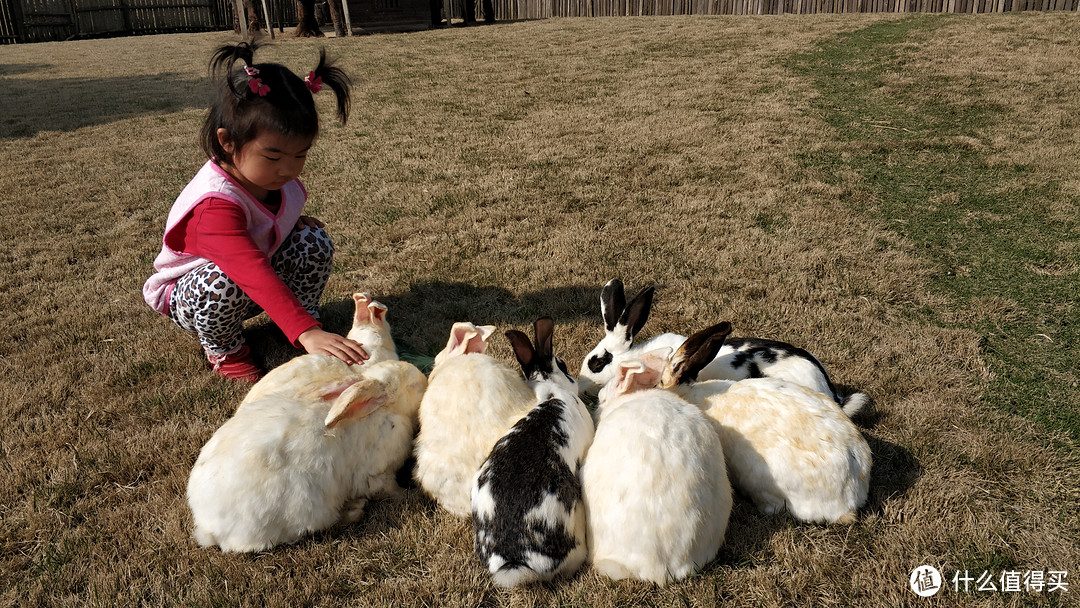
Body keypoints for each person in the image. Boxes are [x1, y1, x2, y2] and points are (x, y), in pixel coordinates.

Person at [143, 40, 368, 382]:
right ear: (227, 142)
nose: (288, 169)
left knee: (312, 238)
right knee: (226, 278)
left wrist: (292, 225)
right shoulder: (214, 204)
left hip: (248, 278)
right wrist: (305, 332)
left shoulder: (268, 178)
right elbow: (249, 269)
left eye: (301, 155)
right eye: (274, 157)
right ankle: (225, 349)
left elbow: (269, 225)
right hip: (194, 295)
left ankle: (297, 318)